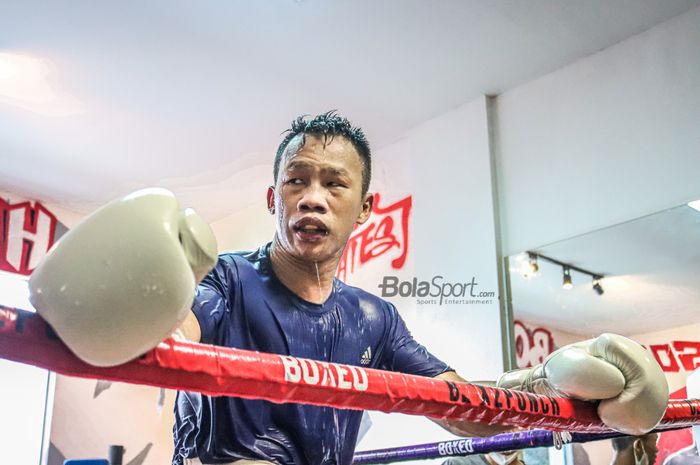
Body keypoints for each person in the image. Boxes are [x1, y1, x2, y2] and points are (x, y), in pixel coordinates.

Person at [28, 112, 670, 465]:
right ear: (272, 195)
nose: (311, 198)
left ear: (364, 208)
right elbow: (179, 332)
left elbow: (457, 403)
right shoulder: (224, 277)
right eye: (296, 180)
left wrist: (552, 389)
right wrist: (135, 303)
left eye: (334, 184)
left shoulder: (373, 318)